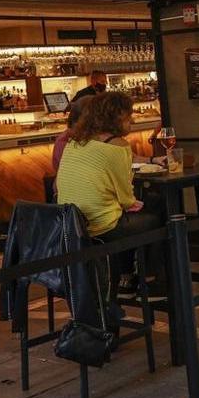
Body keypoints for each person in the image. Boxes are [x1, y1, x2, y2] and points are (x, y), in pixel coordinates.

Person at [57, 91, 166, 305]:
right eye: (128, 116)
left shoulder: (75, 142)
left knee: (131, 218)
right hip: (99, 225)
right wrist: (129, 203)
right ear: (115, 117)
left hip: (71, 225)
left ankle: (125, 280)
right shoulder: (117, 145)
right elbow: (126, 197)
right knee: (154, 218)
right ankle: (152, 284)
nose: (132, 120)